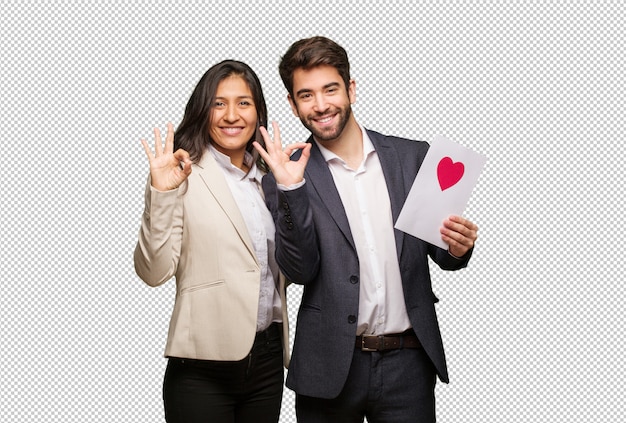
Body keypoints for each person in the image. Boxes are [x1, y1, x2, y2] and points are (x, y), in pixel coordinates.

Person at [254, 36, 479, 422]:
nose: (321, 105)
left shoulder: (413, 157)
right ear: (292, 105)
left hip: (408, 363)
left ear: (351, 89)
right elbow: (300, 270)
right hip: (328, 365)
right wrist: (291, 188)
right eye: (306, 95)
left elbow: (442, 254)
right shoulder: (285, 174)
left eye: (330, 89)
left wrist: (458, 247)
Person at [133, 60, 292, 423]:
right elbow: (153, 271)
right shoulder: (180, 173)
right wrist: (161, 192)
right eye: (219, 103)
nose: (231, 115)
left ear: (258, 112)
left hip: (267, 359)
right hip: (202, 365)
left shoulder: (270, 176)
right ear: (203, 110)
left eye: (244, 103)